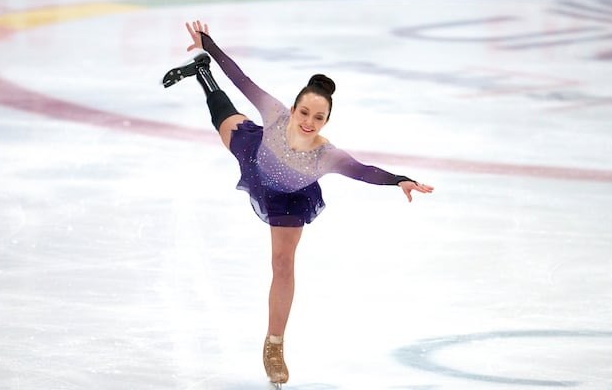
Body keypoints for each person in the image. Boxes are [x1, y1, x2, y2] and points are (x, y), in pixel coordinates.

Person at [162, 20, 434, 386]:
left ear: (326, 121)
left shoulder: (327, 155)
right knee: (225, 121)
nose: (309, 122)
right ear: (294, 108)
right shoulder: (274, 113)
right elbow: (241, 79)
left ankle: (274, 344)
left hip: (289, 198)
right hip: (257, 156)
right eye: (304, 112)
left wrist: (400, 179)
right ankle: (203, 74)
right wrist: (208, 46)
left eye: (318, 117)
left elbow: (365, 170)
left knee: (283, 263)